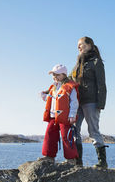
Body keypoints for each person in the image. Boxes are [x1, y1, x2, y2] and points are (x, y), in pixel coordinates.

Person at [69, 36, 108, 168]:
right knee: (74, 129)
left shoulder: (96, 62)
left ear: (90, 45)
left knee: (93, 131)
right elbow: (69, 80)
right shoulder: (78, 64)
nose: (79, 47)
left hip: (91, 101)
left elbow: (101, 84)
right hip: (78, 102)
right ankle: (78, 161)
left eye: (81, 44)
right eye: (78, 45)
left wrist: (100, 104)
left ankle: (102, 163)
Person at [40, 64, 79, 162]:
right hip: (53, 116)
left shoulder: (70, 87)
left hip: (65, 117)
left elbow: (74, 102)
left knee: (66, 136)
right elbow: (51, 100)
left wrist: (72, 115)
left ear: (64, 75)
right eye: (53, 75)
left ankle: (71, 159)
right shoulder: (53, 87)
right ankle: (49, 156)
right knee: (50, 135)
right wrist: (43, 95)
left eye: (57, 75)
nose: (55, 77)